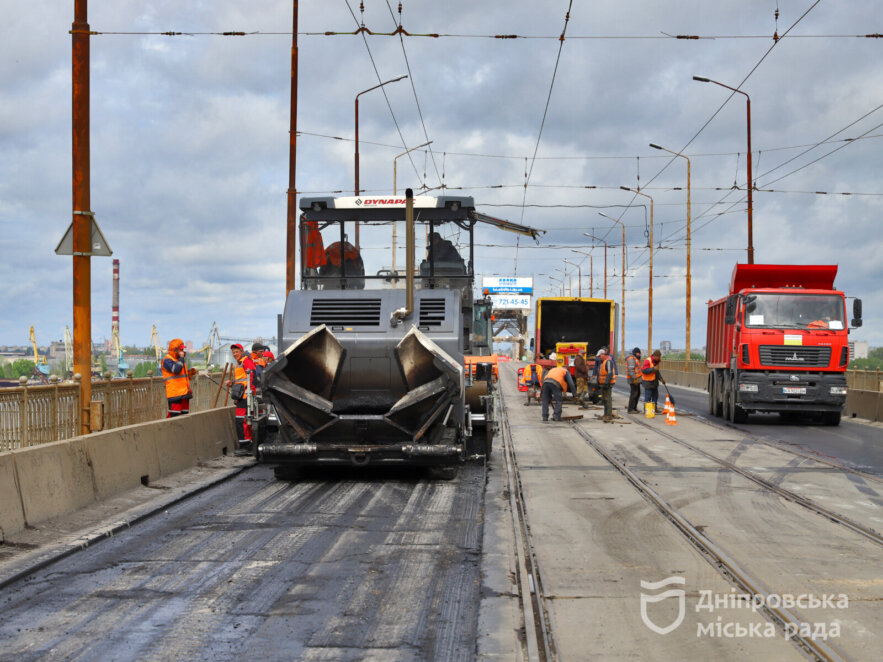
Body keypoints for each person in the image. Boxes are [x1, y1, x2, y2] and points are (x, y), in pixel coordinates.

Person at [227, 343, 257, 448]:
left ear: (241, 351)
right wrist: (232, 384)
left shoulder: (246, 361)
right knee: (243, 420)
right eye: (233, 352)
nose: (235, 354)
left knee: (242, 420)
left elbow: (252, 375)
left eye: (236, 352)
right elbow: (242, 381)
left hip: (245, 396)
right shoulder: (239, 363)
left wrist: (251, 392)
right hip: (242, 396)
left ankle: (246, 446)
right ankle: (246, 444)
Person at [162, 338, 197, 418]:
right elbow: (176, 370)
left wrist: (189, 373)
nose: (183, 352)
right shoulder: (167, 360)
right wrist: (181, 358)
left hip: (184, 394)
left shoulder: (179, 360)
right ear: (175, 350)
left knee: (184, 417)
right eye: (181, 350)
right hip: (175, 394)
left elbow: (180, 376)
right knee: (175, 418)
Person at [592, 348, 618, 422]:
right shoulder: (603, 362)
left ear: (603, 355)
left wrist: (606, 383)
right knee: (605, 399)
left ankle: (608, 415)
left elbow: (610, 373)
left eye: (599, 356)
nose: (599, 358)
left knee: (608, 400)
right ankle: (605, 414)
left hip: (608, 384)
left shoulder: (608, 362)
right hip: (604, 384)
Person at [641, 349, 665, 415]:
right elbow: (644, 371)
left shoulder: (656, 362)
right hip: (648, 382)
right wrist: (653, 369)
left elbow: (657, 372)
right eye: (658, 357)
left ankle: (654, 409)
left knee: (655, 396)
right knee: (648, 397)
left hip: (654, 382)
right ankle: (646, 410)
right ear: (655, 356)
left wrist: (661, 379)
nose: (659, 358)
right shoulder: (648, 361)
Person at [625, 347, 643, 413]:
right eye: (638, 353)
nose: (639, 354)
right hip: (633, 379)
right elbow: (631, 370)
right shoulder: (631, 359)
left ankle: (634, 408)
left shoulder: (635, 359)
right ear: (635, 353)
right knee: (634, 393)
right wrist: (635, 379)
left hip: (636, 379)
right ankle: (631, 409)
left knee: (637, 393)